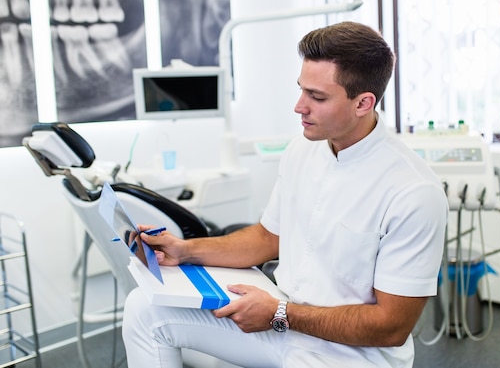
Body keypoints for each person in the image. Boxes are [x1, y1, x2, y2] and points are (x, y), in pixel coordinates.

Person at [122, 21, 448, 368]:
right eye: (302, 90)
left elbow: (390, 327)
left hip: (352, 354)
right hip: (284, 323)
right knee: (145, 308)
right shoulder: (302, 150)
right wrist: (185, 251)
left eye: (317, 97)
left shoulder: (413, 192)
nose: (299, 106)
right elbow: (268, 236)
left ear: (363, 103)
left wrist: (280, 314)